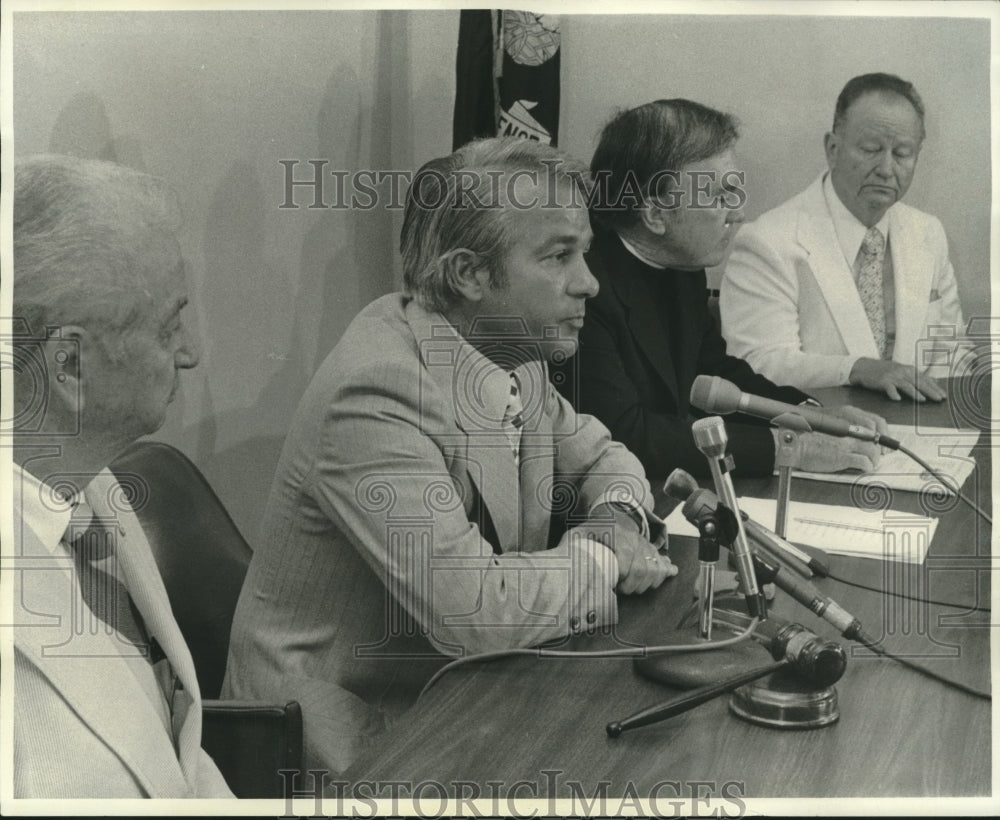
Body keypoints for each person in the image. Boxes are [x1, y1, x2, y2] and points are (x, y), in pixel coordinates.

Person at [223, 137, 676, 775]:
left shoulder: (513, 350)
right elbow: (475, 613)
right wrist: (604, 555)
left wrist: (617, 519)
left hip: (466, 691)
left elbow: (608, 462)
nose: (589, 283)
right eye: (558, 256)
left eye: (586, 253)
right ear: (469, 275)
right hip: (350, 741)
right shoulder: (379, 391)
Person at [8, 155, 233, 798]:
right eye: (169, 328)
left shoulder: (90, 488)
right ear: (70, 366)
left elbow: (174, 760)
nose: (190, 354)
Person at [553, 98, 884, 480]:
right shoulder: (581, 289)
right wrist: (789, 450)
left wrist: (811, 415)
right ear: (656, 215)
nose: (738, 212)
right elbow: (628, 435)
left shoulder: (681, 262)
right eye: (720, 196)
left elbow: (716, 373)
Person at [720, 73, 970, 401]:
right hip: (818, 432)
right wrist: (856, 368)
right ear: (833, 149)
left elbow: (953, 355)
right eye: (870, 149)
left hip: (919, 437)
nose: (886, 168)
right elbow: (757, 365)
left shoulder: (928, 233)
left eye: (903, 153)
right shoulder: (767, 241)